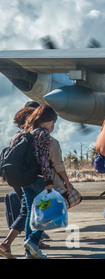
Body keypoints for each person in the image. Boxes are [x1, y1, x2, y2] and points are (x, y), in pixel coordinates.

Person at [21, 105, 58, 258]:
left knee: (31, 213)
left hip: (24, 178)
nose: (53, 126)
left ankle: (29, 252)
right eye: (53, 122)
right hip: (37, 179)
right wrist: (48, 180)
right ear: (48, 120)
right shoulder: (42, 134)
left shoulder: (26, 131)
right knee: (51, 210)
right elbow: (43, 159)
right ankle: (33, 240)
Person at [1, 106, 38, 259]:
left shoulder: (17, 135)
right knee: (28, 210)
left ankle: (21, 243)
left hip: (15, 177)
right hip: (27, 178)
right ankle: (20, 243)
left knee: (27, 209)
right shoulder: (30, 135)